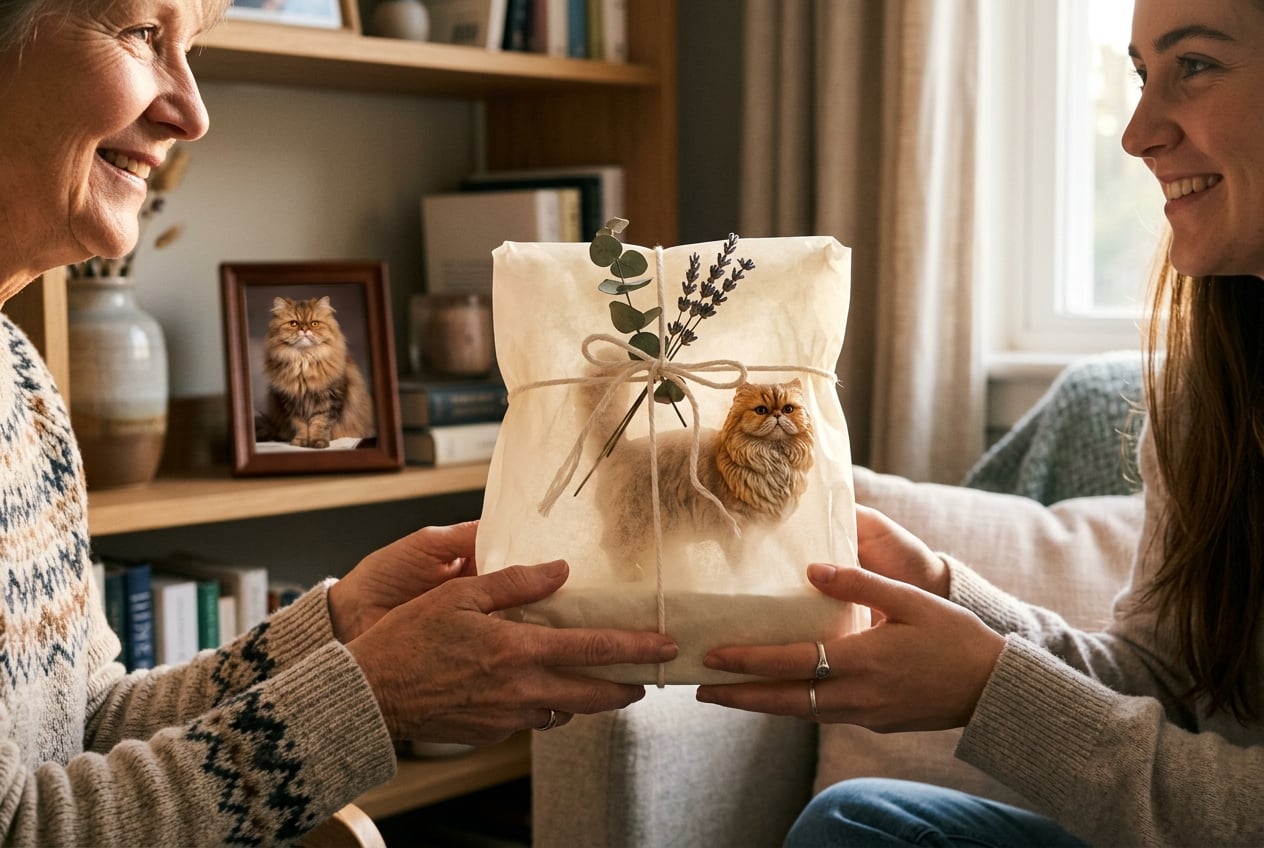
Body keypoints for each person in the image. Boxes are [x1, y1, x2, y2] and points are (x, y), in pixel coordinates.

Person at [0, 2, 678, 844]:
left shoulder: (18, 374)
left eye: (192, 48)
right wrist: (377, 694)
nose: (193, 111)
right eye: (143, 34)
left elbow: (88, 726)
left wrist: (342, 625)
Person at [695, 0, 1264, 845]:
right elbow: (1165, 684)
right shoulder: (1205, 398)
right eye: (1143, 74)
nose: (1137, 132)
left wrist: (986, 690)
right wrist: (950, 596)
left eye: (1197, 66)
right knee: (856, 822)